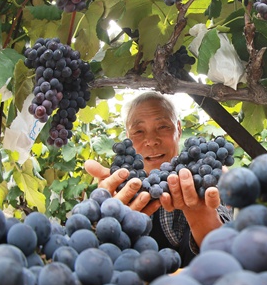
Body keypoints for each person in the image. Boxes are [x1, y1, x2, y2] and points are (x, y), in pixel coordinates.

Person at [84, 91, 231, 266]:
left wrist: (200, 214)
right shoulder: (115, 188)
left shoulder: (205, 177)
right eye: (138, 131)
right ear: (128, 137)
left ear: (179, 128)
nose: (151, 140)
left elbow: (227, 257)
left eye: (162, 127)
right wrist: (107, 223)